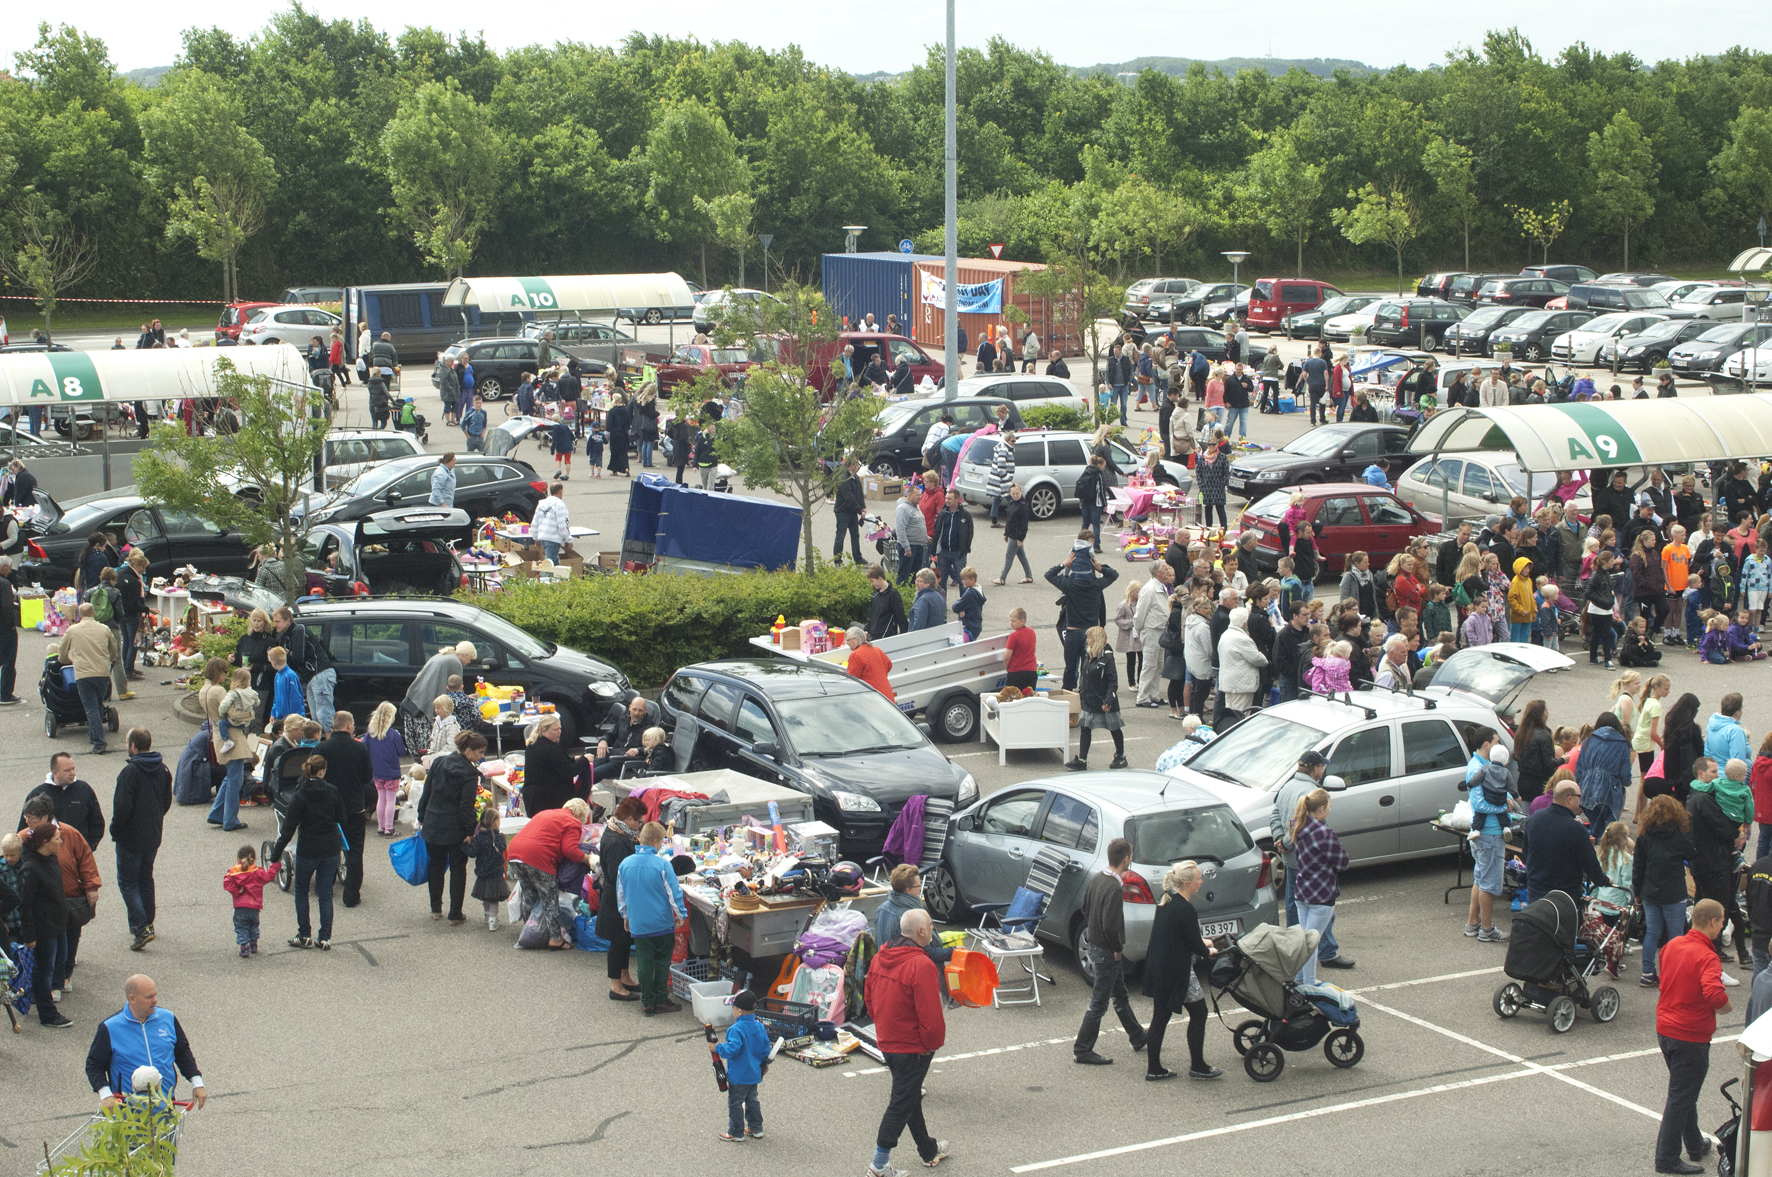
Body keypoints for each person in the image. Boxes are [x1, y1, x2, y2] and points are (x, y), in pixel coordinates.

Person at [864, 908, 950, 1175]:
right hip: (913, 1048)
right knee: (901, 1102)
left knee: (909, 1096)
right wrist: (931, 1043)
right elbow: (931, 1015)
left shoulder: (880, 957)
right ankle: (879, 1165)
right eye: (931, 926)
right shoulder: (921, 965)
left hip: (888, 1041)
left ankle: (928, 1150)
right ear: (922, 932)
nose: (933, 930)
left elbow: (870, 999)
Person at [1653, 897, 1732, 1174]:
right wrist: (1726, 1007)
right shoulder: (1707, 956)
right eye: (1722, 921)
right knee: (1680, 1098)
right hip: (1691, 1035)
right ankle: (1666, 1158)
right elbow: (1714, 993)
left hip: (1666, 1029)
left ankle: (1695, 1144)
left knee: (1685, 1092)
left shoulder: (1673, 945)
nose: (1723, 925)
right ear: (1712, 922)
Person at [1142, 860, 1222, 1082]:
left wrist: (1201, 942)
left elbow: (1179, 936)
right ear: (1188, 883)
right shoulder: (1186, 909)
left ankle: (1154, 1067)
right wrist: (1210, 950)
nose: (1201, 881)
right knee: (1199, 1013)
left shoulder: (1166, 902)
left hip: (1160, 968)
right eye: (1198, 878)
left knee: (1160, 1016)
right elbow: (1194, 944)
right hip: (1178, 971)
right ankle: (1198, 1065)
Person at [1072, 836, 1148, 1064]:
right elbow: (1110, 925)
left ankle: (1137, 1036)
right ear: (1126, 859)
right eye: (1131, 857)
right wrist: (1117, 948)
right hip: (1107, 952)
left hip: (1095, 946)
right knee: (1100, 1002)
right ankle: (1083, 1049)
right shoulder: (1114, 888)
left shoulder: (1097, 878)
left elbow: (1085, 908)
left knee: (1121, 994)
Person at [85, 975, 208, 1108]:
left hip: (165, 1107)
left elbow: (182, 1052)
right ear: (132, 998)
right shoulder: (110, 1027)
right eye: (149, 997)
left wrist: (197, 1082)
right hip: (128, 1113)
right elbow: (94, 1065)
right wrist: (105, 1094)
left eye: (155, 995)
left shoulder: (168, 1018)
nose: (155, 1000)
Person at [269, 754, 344, 950]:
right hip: (330, 848)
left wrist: (276, 854)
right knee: (325, 893)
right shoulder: (333, 791)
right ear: (322, 771)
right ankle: (325, 937)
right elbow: (342, 817)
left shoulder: (300, 795)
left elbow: (288, 829)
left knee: (301, 892)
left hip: (308, 848)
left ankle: (304, 935)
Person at [1689, 758, 1752, 977]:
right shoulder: (1705, 800)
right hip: (1714, 864)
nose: (1718, 775)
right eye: (1714, 771)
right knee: (1719, 912)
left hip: (1703, 863)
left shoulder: (1694, 796)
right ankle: (1713, 962)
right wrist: (1737, 834)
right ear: (1701, 774)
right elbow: (1722, 826)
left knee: (1709, 907)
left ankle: (1734, 954)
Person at [617, 820, 688, 1015]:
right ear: (656, 842)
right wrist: (681, 914)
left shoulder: (624, 864)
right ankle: (661, 998)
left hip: (639, 924)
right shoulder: (662, 864)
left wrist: (625, 915)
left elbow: (621, 894)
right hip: (662, 923)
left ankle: (647, 1002)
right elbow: (674, 893)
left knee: (644, 961)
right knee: (662, 961)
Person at [110, 729, 170, 954]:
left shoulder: (130, 772)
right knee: (145, 877)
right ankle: (148, 921)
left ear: (133, 745)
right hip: (153, 834)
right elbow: (165, 802)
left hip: (131, 837)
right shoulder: (162, 769)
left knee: (127, 882)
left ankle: (140, 927)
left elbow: (122, 807)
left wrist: (116, 830)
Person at [418, 730, 485, 925]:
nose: (482, 756)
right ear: (469, 751)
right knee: (458, 868)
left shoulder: (439, 763)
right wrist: (469, 831)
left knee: (436, 865)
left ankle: (435, 908)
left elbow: (427, 791)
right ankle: (455, 911)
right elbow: (466, 807)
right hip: (454, 827)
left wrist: (422, 816)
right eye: (480, 752)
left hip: (432, 822)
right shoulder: (470, 774)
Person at [1463, 728, 1517, 943]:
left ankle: (1473, 924)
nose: (1498, 744)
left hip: (1485, 833)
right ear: (1487, 745)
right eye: (1496, 741)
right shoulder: (1477, 768)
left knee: (1480, 878)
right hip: (1490, 834)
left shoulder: (1482, 766)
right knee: (1489, 884)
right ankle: (1486, 930)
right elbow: (1478, 804)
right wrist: (1504, 808)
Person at [18, 823, 73, 1026]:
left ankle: (40, 998)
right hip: (43, 930)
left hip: (58, 924)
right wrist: (29, 935)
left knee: (60, 961)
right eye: (57, 838)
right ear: (45, 842)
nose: (60, 841)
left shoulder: (51, 859)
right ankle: (47, 1014)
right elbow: (25, 904)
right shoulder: (30, 869)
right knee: (44, 970)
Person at [317, 713, 373, 907]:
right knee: (355, 851)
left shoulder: (322, 748)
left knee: (327, 847)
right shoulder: (359, 748)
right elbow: (367, 777)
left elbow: (311, 774)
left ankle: (325, 886)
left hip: (328, 807)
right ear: (349, 725)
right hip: (354, 805)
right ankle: (351, 895)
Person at [1047, 549, 1119, 691]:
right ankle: (1085, 693)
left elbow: (1049, 574)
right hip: (1091, 633)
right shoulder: (1097, 585)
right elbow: (1113, 574)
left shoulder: (1068, 584)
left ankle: (1067, 693)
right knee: (1088, 667)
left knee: (1070, 667)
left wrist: (1063, 564)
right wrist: (1100, 567)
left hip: (1073, 632)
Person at [711, 988, 772, 1142]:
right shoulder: (759, 1026)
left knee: (735, 1103)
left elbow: (732, 1050)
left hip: (738, 1075)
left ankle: (735, 1131)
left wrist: (717, 1048)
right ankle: (755, 1127)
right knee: (752, 1100)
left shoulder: (735, 1030)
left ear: (738, 1011)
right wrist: (764, 1064)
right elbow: (766, 1047)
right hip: (754, 1073)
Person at [58, 604, 120, 755]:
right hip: (102, 673)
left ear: (79, 615)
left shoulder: (73, 630)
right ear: (93, 613)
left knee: (91, 708)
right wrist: (111, 659)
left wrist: (66, 660)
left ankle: (99, 743)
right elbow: (114, 649)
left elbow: (62, 650)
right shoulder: (104, 629)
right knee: (97, 704)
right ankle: (94, 735)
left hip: (84, 674)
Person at [1070, 625, 1126, 771]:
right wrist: (1081, 690)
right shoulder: (1089, 655)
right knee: (1085, 728)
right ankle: (1082, 759)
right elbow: (1084, 675)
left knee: (1114, 728)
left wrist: (1108, 701)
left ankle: (1120, 756)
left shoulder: (1107, 658)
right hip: (1089, 699)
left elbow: (1113, 682)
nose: (1087, 640)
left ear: (1097, 639)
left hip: (1104, 700)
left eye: (1090, 637)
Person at [521, 712, 589, 813]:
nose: (559, 732)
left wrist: (572, 759)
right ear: (544, 730)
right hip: (548, 801)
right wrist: (585, 760)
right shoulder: (551, 749)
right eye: (555, 729)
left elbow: (553, 763)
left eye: (560, 728)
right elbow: (570, 771)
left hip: (533, 798)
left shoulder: (533, 745)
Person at [1576, 712, 1632, 832]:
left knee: (1594, 827)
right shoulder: (1622, 744)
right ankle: (1605, 849)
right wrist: (1625, 782)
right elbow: (1625, 774)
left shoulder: (1588, 740)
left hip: (1588, 789)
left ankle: (1595, 847)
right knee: (1609, 831)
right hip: (1610, 792)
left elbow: (1579, 769)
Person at [222, 845, 280, 958]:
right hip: (255, 906)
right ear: (254, 859)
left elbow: (227, 883)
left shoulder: (234, 872)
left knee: (241, 926)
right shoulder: (257, 872)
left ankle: (244, 947)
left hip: (240, 906)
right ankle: (254, 944)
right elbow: (269, 877)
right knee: (254, 925)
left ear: (239, 859)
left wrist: (238, 890)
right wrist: (276, 865)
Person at [363, 702, 406, 837]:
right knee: (390, 800)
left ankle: (381, 827)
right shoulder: (394, 734)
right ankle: (389, 828)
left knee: (381, 799)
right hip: (391, 771)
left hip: (377, 771)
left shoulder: (371, 733)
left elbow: (364, 745)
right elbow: (402, 751)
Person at [466, 805, 510, 932]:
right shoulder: (499, 837)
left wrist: (465, 845)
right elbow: (503, 848)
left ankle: (486, 915)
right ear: (496, 822)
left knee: (486, 895)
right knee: (494, 898)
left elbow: (473, 852)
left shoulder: (479, 838)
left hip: (483, 872)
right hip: (496, 873)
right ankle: (493, 920)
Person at [931, 489, 973, 593]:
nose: (946, 500)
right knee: (941, 581)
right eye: (946, 498)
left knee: (962, 580)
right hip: (943, 552)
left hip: (958, 553)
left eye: (949, 498)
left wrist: (965, 549)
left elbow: (970, 533)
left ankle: (963, 607)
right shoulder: (943, 514)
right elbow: (937, 531)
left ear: (957, 500)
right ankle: (941, 605)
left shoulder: (965, 515)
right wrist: (935, 549)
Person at [996, 483, 1032, 584]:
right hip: (1011, 534)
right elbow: (1009, 520)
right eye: (1013, 493)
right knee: (1021, 556)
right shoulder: (1011, 503)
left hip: (1016, 535)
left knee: (1009, 556)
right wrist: (1005, 533)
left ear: (1021, 492)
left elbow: (1024, 525)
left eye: (1017, 493)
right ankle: (1029, 576)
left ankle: (1002, 578)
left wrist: (1020, 538)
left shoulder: (1023, 507)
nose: (1015, 495)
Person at [893, 484, 929, 587]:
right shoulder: (903, 508)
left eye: (920, 495)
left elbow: (918, 524)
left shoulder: (916, 507)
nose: (920, 497)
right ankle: (901, 595)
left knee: (916, 575)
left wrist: (926, 537)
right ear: (909, 495)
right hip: (909, 546)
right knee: (904, 575)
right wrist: (906, 548)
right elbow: (900, 529)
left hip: (919, 545)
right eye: (917, 495)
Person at [833, 460, 865, 566]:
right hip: (842, 512)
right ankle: (837, 560)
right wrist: (859, 510)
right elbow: (849, 498)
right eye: (857, 465)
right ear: (851, 466)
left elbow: (859, 495)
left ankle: (858, 558)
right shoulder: (843, 479)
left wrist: (863, 507)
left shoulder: (856, 478)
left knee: (855, 535)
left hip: (853, 512)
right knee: (840, 536)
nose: (858, 467)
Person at [531, 483, 570, 564]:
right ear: (560, 491)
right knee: (549, 563)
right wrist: (568, 539)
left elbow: (535, 522)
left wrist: (536, 537)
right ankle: (544, 576)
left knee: (555, 562)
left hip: (543, 537)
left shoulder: (541, 504)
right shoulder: (559, 505)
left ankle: (557, 576)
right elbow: (563, 524)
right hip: (553, 538)